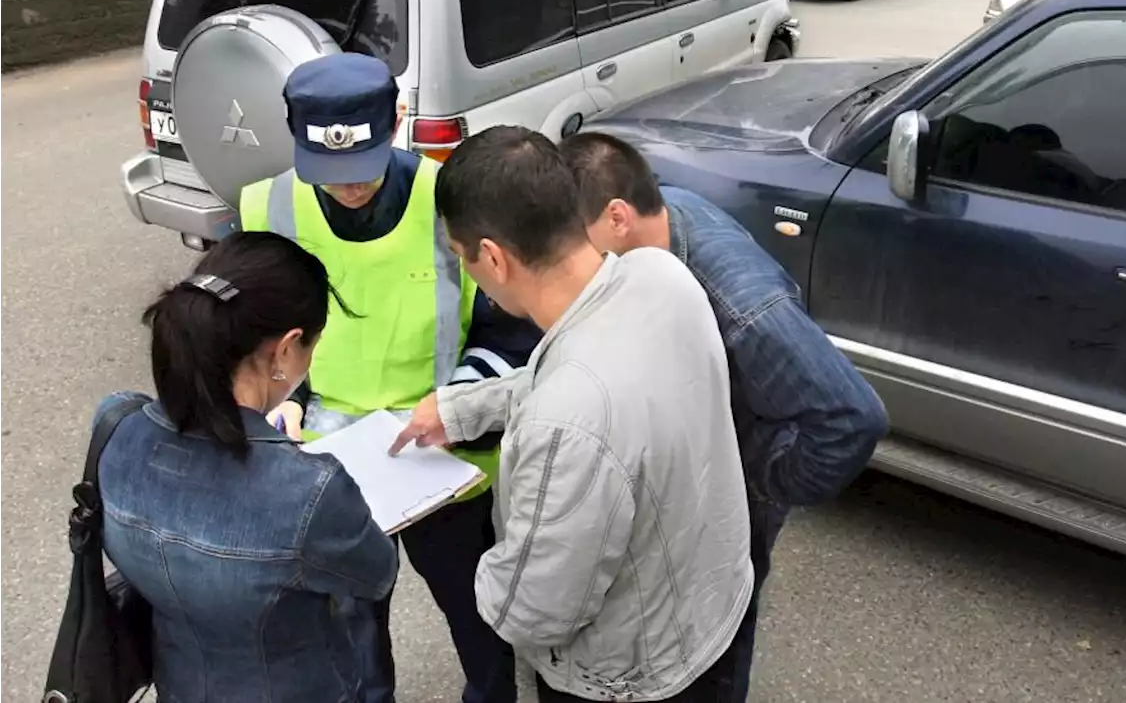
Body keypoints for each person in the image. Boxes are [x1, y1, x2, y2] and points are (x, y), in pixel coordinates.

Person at [390, 125, 753, 702]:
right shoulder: (657, 275)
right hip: (707, 613)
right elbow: (568, 378)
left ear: (492, 257)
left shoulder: (566, 423)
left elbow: (533, 610)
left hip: (628, 677)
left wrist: (470, 572)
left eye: (463, 258)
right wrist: (461, 409)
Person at [238, 53, 532, 703]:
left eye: (362, 164)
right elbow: (250, 340)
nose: (349, 186)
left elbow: (511, 327)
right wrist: (279, 403)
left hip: (444, 452)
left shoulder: (452, 200)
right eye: (331, 171)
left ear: (397, 120)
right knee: (348, 626)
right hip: (329, 458)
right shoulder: (268, 207)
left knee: (477, 611)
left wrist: (454, 405)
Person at [558, 131, 891, 703]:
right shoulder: (661, 225)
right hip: (700, 452)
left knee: (722, 621)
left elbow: (853, 418)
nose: (570, 260)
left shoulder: (742, 306)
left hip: (740, 476)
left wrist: (757, 479)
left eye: (573, 240)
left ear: (616, 217)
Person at [94, 230, 398, 702]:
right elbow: (375, 573)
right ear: (284, 350)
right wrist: (292, 464)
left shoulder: (115, 426)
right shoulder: (309, 489)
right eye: (311, 348)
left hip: (177, 682)